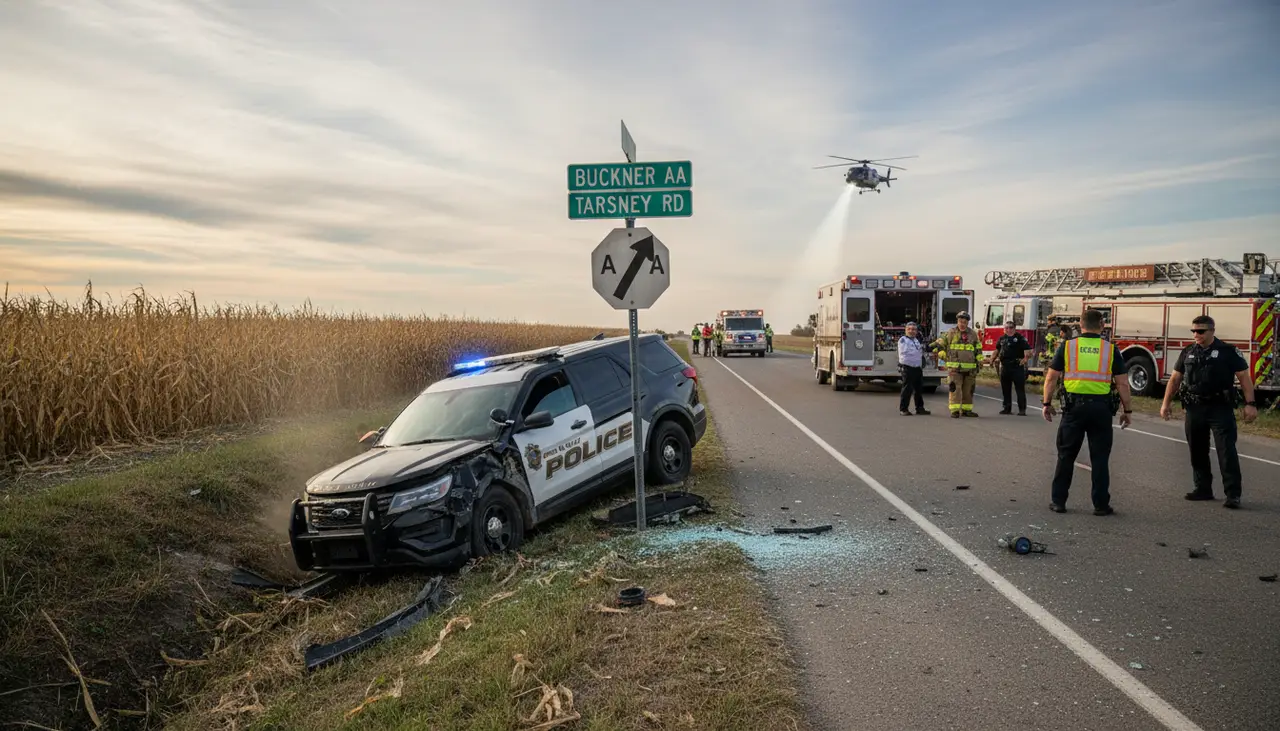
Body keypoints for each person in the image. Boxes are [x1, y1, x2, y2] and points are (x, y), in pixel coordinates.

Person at [1159, 314, 1258, 509]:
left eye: (1201, 331)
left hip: (1220, 408)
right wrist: (1165, 403)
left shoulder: (1228, 352)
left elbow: (1244, 378)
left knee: (1226, 451)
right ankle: (1203, 488)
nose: (1196, 334)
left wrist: (1251, 403)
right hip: (1194, 408)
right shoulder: (1188, 352)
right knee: (1197, 450)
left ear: (1212, 331)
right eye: (1194, 331)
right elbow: (1175, 379)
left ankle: (1233, 494)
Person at [1041, 308, 1132, 515]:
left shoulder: (1068, 346)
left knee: (1066, 456)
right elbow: (1122, 383)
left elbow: (1051, 377)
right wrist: (1127, 410)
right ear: (1102, 326)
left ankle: (1059, 502)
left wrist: (1046, 403)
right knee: (1100, 459)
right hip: (1101, 410)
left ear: (1080, 325)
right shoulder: (1110, 349)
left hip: (1074, 409)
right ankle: (1101, 505)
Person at [929, 311, 981, 418]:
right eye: (960, 321)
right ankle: (955, 410)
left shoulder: (973, 334)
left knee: (968, 391)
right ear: (957, 322)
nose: (962, 324)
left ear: (967, 323)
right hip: (955, 369)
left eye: (964, 322)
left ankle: (967, 410)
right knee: (955, 390)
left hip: (970, 370)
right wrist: (935, 348)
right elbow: (940, 343)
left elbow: (978, 349)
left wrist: (979, 362)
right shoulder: (950, 333)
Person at [995, 321, 1032, 415]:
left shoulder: (1020, 338)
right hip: (1005, 367)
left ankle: (1022, 410)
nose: (1009, 329)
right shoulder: (1002, 339)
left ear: (1014, 328)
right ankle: (1007, 408)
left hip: (1017, 367)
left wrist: (1025, 359)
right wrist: (992, 359)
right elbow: (997, 350)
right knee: (1005, 389)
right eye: (1006, 328)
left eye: (1011, 327)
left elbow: (1028, 351)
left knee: (1020, 389)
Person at [897, 321, 930, 416]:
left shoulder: (916, 340)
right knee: (907, 389)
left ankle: (920, 408)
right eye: (909, 329)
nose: (911, 331)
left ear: (916, 331)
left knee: (919, 389)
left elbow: (919, 352)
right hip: (907, 367)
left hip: (917, 368)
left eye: (914, 329)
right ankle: (903, 409)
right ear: (906, 330)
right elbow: (905, 352)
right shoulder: (903, 340)